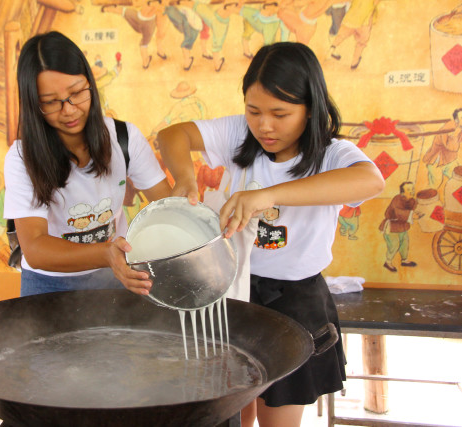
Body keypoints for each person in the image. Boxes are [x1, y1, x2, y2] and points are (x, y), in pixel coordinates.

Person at [157, 42, 384, 427]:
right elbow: (171, 135)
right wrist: (185, 176)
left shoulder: (331, 154)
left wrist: (269, 195)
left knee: (278, 415)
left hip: (295, 301)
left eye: (281, 113)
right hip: (235, 289)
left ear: (310, 107)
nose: (264, 125)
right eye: (254, 110)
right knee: (234, 407)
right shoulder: (237, 134)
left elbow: (371, 180)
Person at [3, 31, 171, 297]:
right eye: (50, 102)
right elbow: (34, 249)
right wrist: (105, 253)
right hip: (48, 282)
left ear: (90, 84)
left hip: (115, 272)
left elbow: (168, 208)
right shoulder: (22, 158)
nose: (69, 110)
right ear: (33, 104)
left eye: (77, 93)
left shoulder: (124, 138)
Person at [379, 181, 421, 272]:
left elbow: (412, 210)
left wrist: (415, 213)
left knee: (404, 243)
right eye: (408, 189)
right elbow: (398, 212)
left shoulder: (412, 200)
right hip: (392, 227)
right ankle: (388, 262)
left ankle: (404, 260)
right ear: (402, 192)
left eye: (412, 189)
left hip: (403, 227)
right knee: (394, 245)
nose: (411, 191)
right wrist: (411, 215)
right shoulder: (397, 199)